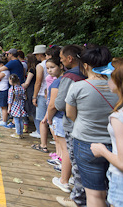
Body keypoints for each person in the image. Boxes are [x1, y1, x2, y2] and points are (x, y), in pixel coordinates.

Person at [65, 46, 118, 207]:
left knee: (94, 194)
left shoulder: (78, 87)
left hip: (86, 142)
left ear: (86, 65)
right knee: (113, 189)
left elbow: (70, 114)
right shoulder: (119, 87)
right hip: (116, 145)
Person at [90, 58, 123, 207]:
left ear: (119, 81)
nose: (107, 80)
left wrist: (102, 150)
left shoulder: (120, 117)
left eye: (109, 77)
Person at [54, 45, 87, 207]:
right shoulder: (88, 72)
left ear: (70, 58)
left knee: (75, 158)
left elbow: (60, 103)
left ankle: (77, 198)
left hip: (73, 123)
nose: (60, 61)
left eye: (61, 58)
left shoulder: (70, 76)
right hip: (88, 122)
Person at [43, 57, 72, 193]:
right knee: (62, 146)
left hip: (59, 118)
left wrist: (48, 118)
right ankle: (65, 170)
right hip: (62, 118)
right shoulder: (66, 80)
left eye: (52, 67)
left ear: (61, 65)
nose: (49, 70)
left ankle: (64, 179)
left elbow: (52, 104)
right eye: (47, 68)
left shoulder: (58, 83)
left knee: (64, 148)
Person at [30, 44, 48, 139]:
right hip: (51, 93)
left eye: (36, 54)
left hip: (41, 94)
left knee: (42, 119)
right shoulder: (53, 63)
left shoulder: (40, 66)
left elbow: (38, 82)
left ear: (40, 54)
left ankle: (41, 136)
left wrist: (34, 96)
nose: (36, 56)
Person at [0, 57, 13, 128]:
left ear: (1, 64)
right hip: (1, 89)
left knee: (3, 106)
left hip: (2, 89)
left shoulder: (4, 72)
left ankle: (4, 121)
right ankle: (3, 119)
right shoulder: (4, 71)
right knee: (2, 106)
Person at [8, 74, 27, 138]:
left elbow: (10, 100)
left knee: (16, 120)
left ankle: (18, 133)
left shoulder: (11, 89)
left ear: (11, 81)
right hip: (21, 104)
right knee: (21, 120)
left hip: (14, 105)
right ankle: (21, 133)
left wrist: (9, 108)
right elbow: (24, 97)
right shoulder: (21, 88)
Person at [22, 53, 38, 132]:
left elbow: (27, 83)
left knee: (32, 109)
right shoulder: (37, 68)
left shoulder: (32, 70)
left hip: (31, 89)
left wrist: (21, 85)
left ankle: (38, 129)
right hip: (34, 88)